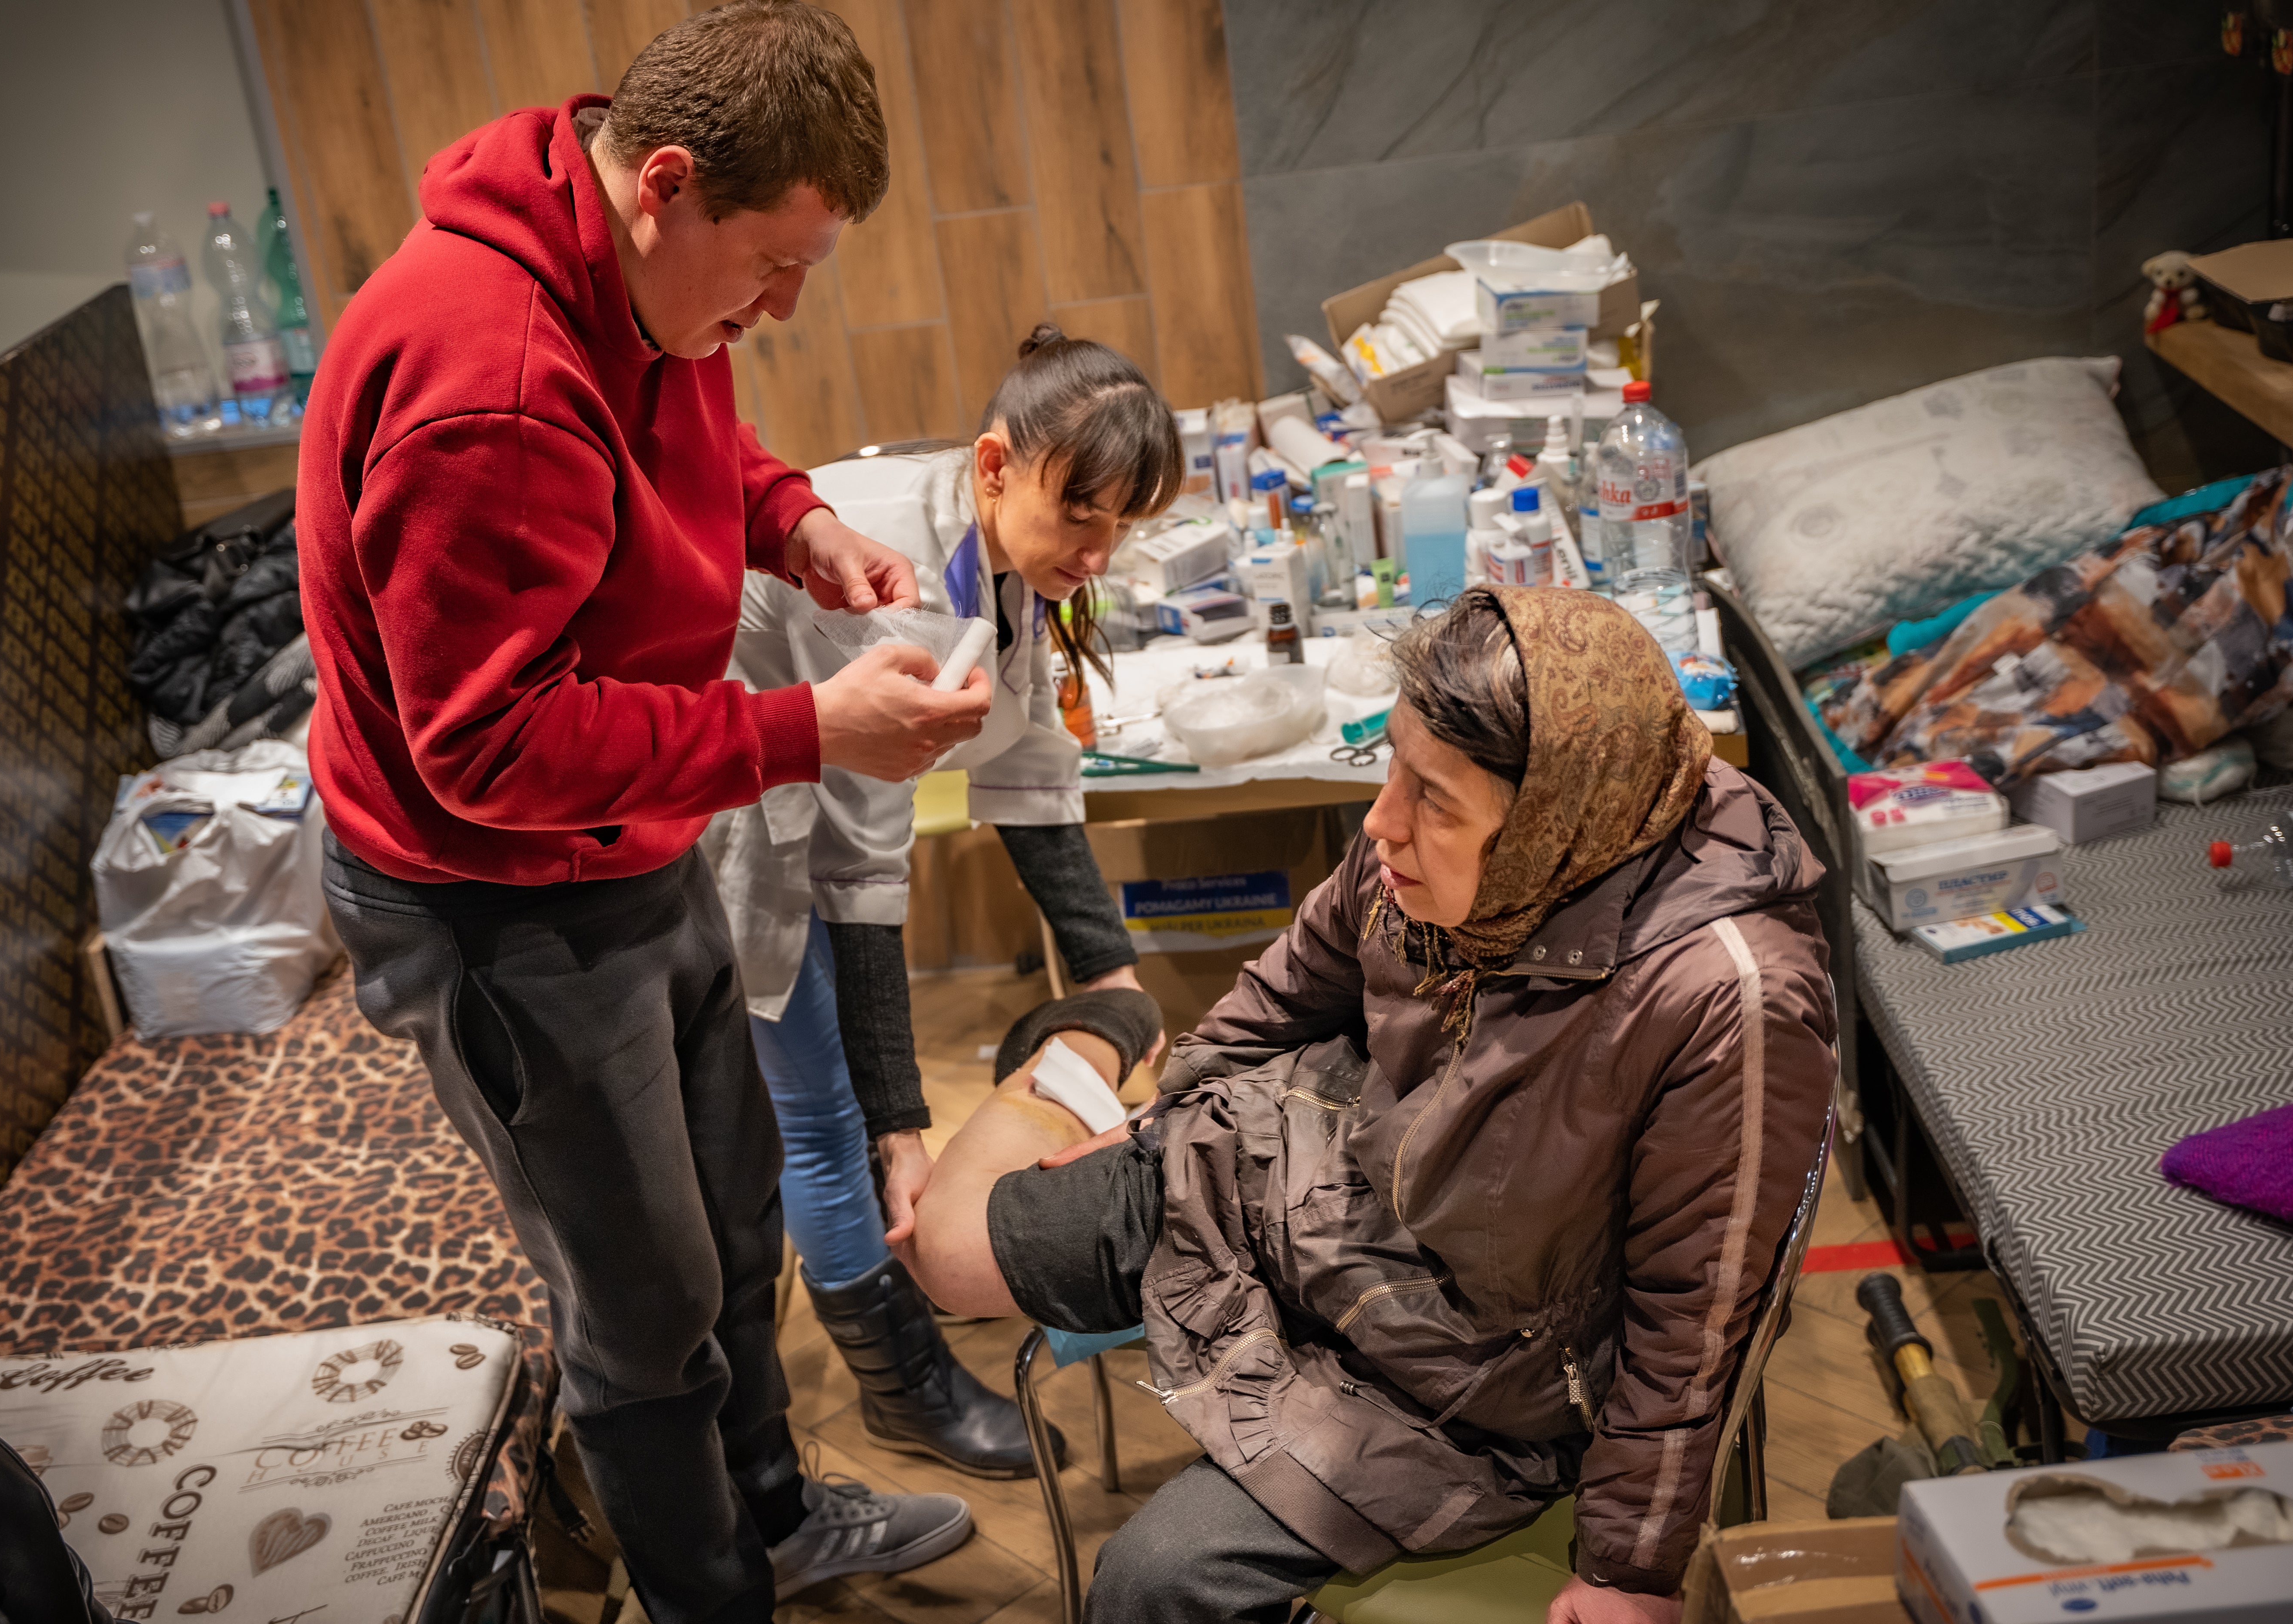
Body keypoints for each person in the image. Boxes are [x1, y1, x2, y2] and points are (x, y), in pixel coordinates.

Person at [295, 6, 994, 1618]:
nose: (783, 305)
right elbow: (488, 750)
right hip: (492, 898)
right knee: (640, 1305)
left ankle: (777, 1514)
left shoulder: (624, 263)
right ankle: (709, 1593)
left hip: (623, 845)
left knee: (737, 1214)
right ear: (667, 180)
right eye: (773, 262)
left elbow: (687, 438)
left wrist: (798, 523)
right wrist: (807, 729)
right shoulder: (495, 381)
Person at [901, 587, 1839, 1624]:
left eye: (1434, 798)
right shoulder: (1409, 852)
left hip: (1482, 1361)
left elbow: (1689, 1321)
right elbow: (1281, 996)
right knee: (945, 1250)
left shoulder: (1727, 996)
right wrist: (1169, 1107)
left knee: (1150, 1584)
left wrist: (1628, 1567)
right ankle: (1093, 1033)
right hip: (1304, 1168)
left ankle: (1084, 1048)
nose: (1382, 821)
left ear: (1546, 828)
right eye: (1390, 763)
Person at [704, 326, 1182, 1477]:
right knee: (823, 1120)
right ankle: (896, 1383)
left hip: (810, 796)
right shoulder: (895, 584)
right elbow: (865, 870)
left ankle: (896, 1272)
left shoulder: (1010, 561)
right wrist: (901, 1122)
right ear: (995, 466)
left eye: (1124, 521)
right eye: (1082, 514)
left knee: (846, 1117)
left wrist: (1114, 982)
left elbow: (1029, 776)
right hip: (734, 812)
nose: (1101, 551)